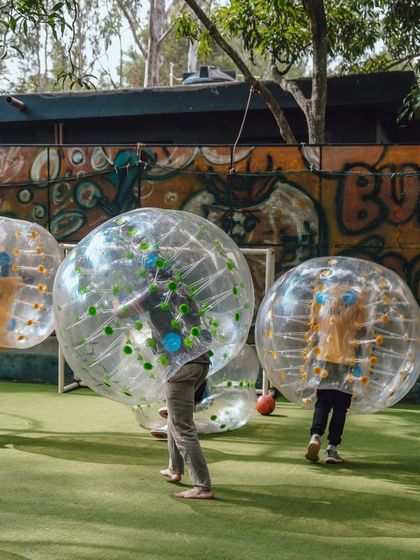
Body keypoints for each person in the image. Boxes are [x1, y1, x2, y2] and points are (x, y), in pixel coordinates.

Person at [305, 282, 366, 464]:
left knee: (323, 402)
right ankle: (332, 448)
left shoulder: (321, 298)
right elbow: (363, 328)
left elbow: (313, 323)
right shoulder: (356, 299)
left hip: (324, 359)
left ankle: (315, 435)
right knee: (340, 408)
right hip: (347, 360)